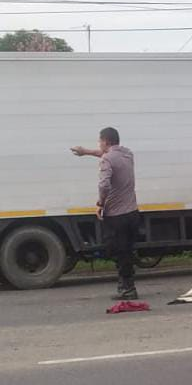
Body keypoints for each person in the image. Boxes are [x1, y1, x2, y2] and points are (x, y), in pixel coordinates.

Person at [71, 128, 140, 300]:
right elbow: (105, 154)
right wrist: (85, 152)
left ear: (106, 142)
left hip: (116, 215)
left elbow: (104, 185)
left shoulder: (107, 160)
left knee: (116, 250)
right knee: (127, 250)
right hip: (132, 212)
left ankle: (127, 288)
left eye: (99, 141)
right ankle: (127, 284)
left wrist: (100, 203)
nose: (98, 144)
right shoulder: (127, 154)